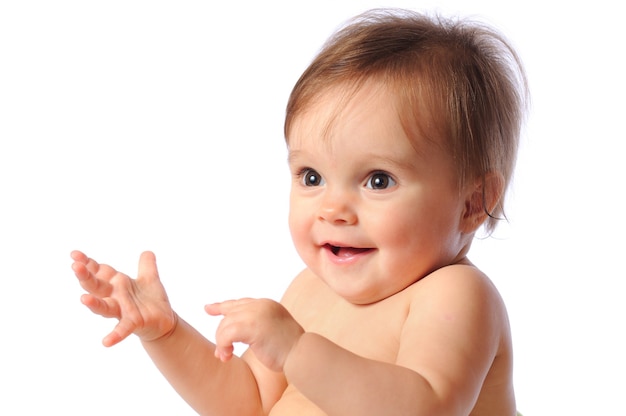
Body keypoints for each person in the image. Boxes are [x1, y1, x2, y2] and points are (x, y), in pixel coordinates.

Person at [71, 8, 527, 416]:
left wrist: (297, 351)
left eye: (378, 180)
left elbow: (426, 407)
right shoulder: (311, 290)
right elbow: (246, 402)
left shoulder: (455, 295)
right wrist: (166, 333)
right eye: (311, 177)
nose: (332, 208)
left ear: (471, 203)